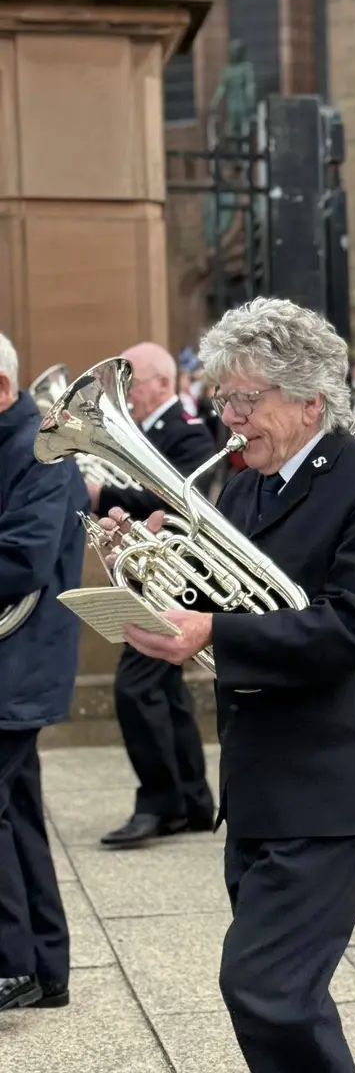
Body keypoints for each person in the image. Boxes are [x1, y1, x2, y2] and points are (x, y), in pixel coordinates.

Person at [101, 298, 355, 1073]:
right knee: (285, 994)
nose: (231, 417)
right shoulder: (248, 482)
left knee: (265, 986)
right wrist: (144, 565)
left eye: (247, 399)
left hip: (335, 780)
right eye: (224, 398)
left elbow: (351, 626)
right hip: (260, 776)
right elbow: (225, 590)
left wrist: (209, 631)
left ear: (310, 399)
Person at [93, 342, 219, 849]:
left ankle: (160, 803)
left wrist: (104, 495)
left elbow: (180, 497)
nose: (124, 395)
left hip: (180, 576)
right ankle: (191, 803)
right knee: (163, 689)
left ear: (163, 383)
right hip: (155, 570)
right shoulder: (151, 431)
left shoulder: (186, 431)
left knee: (135, 687)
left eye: (131, 382)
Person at [0, 333, 89, 1011]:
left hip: (18, 662)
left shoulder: (40, 449)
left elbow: (23, 560)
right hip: (11, 661)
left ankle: (12, 963)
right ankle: (45, 967)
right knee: (18, 809)